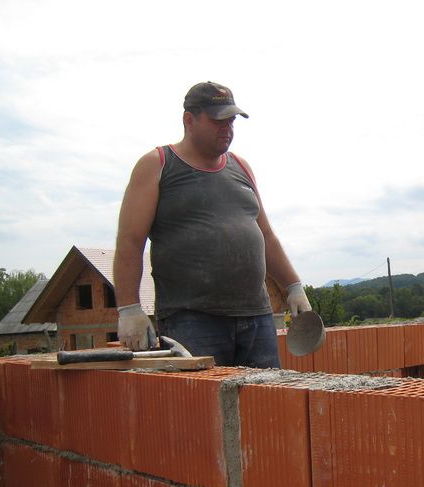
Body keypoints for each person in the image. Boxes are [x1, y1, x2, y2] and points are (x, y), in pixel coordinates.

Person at [113, 81, 311, 367]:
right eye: (218, 120)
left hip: (255, 317)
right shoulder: (158, 164)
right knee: (202, 408)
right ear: (188, 120)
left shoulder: (240, 167)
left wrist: (293, 286)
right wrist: (129, 309)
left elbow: (266, 236)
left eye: (231, 121)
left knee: (265, 405)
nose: (227, 128)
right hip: (193, 320)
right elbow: (130, 241)